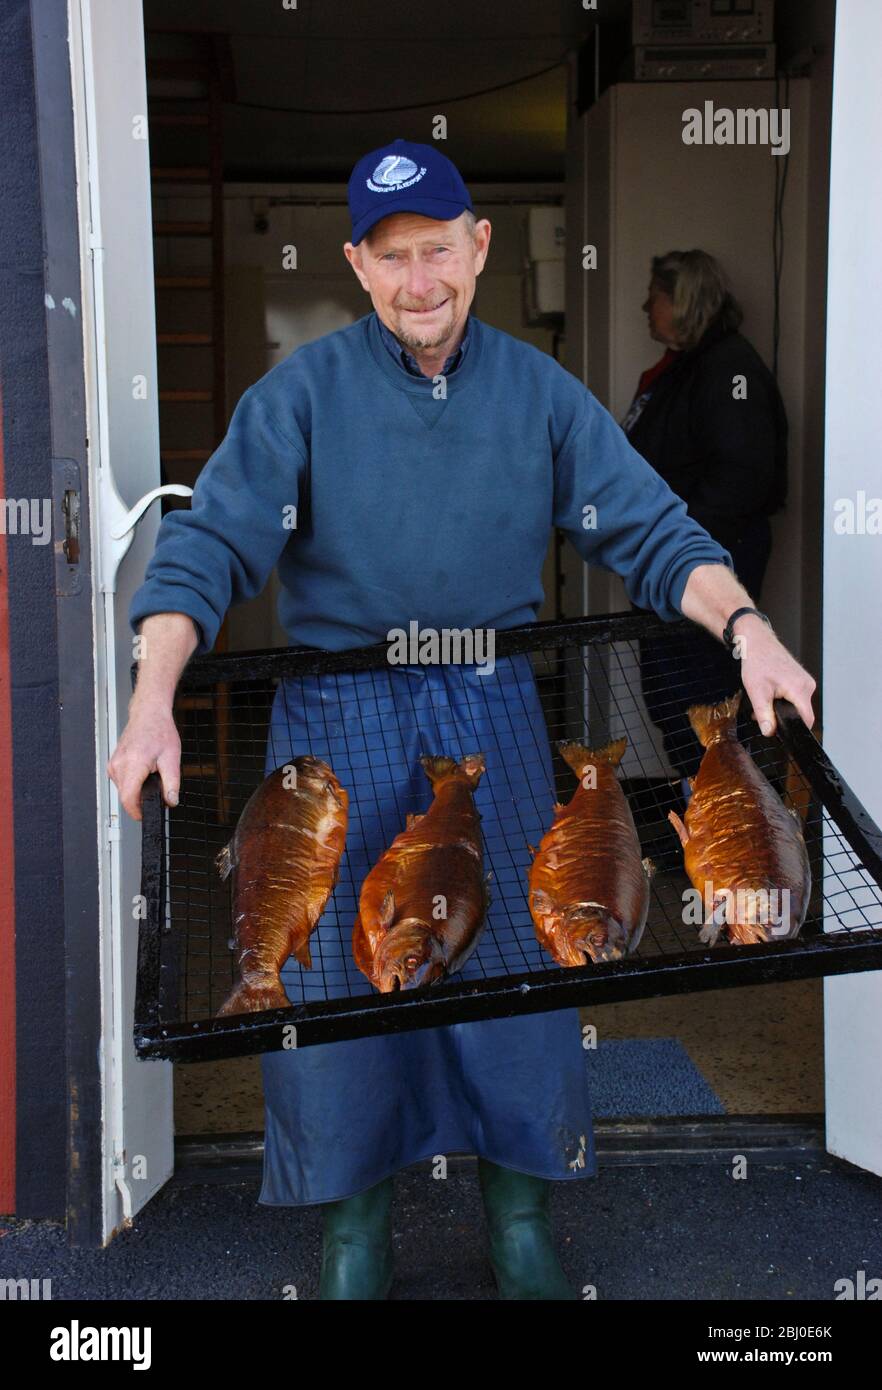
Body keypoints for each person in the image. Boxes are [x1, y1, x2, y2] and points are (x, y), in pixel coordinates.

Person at [108, 141, 816, 1300]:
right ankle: (354, 1233)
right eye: (392, 258)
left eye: (438, 249)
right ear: (356, 264)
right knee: (334, 982)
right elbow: (207, 548)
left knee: (525, 968)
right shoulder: (300, 396)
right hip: (333, 730)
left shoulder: (539, 394)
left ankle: (521, 1214)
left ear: (480, 248)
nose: (419, 280)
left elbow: (654, 529)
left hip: (488, 713)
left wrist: (749, 630)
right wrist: (150, 701)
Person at [622, 249, 789, 806]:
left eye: (658, 295)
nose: (648, 305)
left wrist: (683, 553)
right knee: (676, 702)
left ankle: (731, 844)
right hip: (673, 563)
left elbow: (743, 477)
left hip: (706, 565)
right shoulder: (687, 366)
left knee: (705, 707)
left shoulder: (728, 369)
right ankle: (707, 832)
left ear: (686, 299)